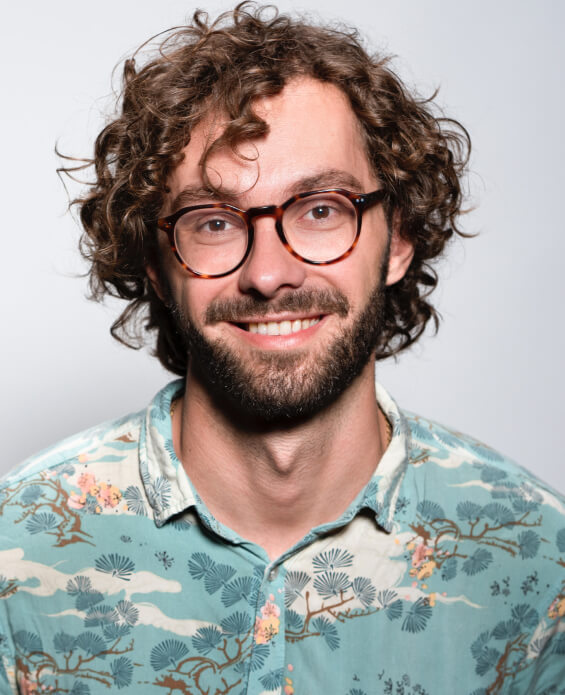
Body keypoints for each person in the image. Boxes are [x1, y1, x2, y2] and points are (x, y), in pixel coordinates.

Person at [1, 3, 563, 693]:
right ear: (157, 264)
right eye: (212, 221)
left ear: (401, 237)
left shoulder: (537, 560)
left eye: (321, 209)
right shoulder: (15, 555)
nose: (267, 274)